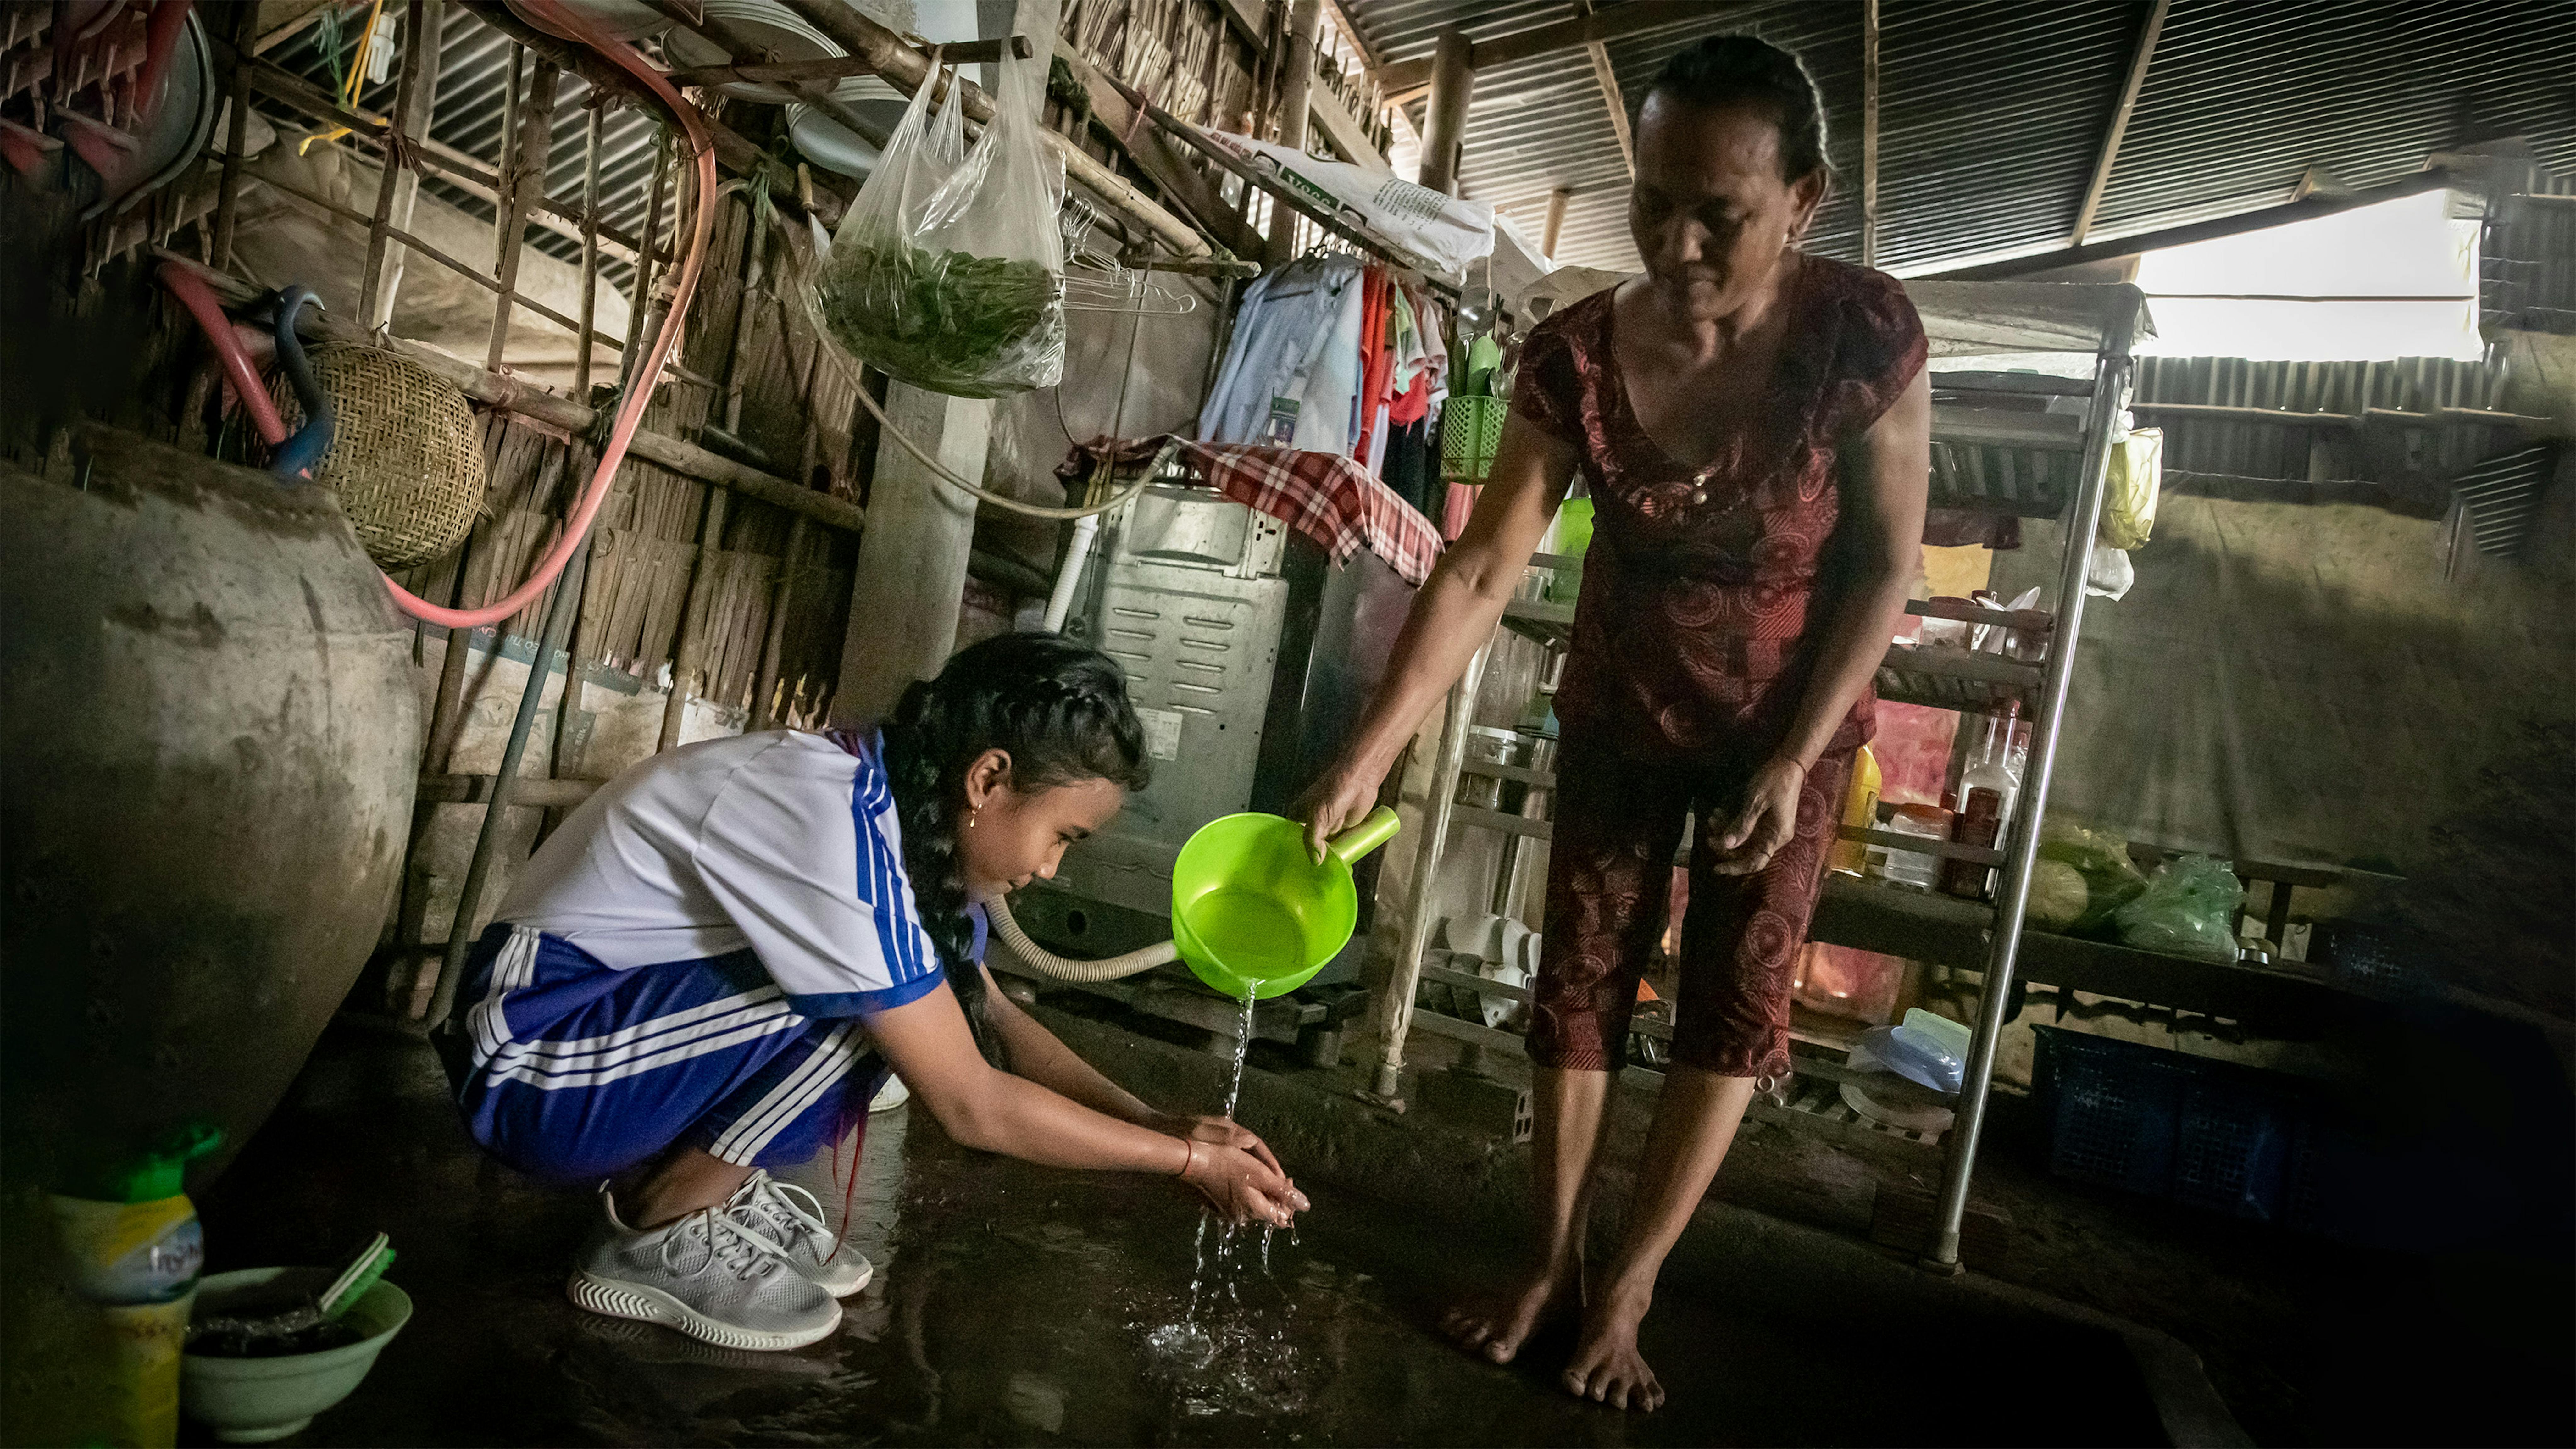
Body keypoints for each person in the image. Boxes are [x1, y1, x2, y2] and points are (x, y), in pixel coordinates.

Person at [1297, 35, 1930, 1412]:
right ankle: (1546, 1263)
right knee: (1576, 983)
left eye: (1724, 213)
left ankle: (1630, 1287)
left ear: (1803, 199)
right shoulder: (1576, 353)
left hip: (1789, 725)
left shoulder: (1860, 335)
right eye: (1655, 202)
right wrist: (1369, 752)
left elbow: (1885, 565)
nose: (1680, 242)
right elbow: (1479, 568)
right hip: (1619, 710)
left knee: (1733, 1002)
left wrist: (1791, 752)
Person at [437, 632, 1306, 1352]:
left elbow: (993, 1022)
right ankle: (662, 1223)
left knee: (915, 988)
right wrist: (1187, 1164)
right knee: (876, 1002)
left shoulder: (899, 826)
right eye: (1061, 836)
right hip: (533, 1060)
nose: (1049, 867)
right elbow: (972, 1102)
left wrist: (1153, 1121)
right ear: (989, 779)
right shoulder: (829, 825)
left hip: (605, 1033)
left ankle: (702, 1184)